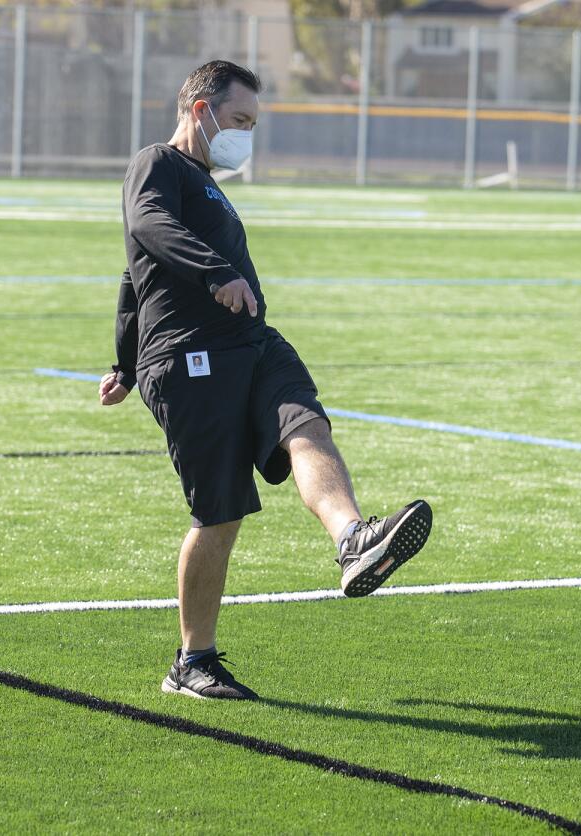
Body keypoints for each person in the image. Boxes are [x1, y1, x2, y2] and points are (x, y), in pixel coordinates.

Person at [98, 60, 432, 701]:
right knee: (219, 514)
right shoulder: (157, 166)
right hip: (191, 357)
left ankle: (353, 539)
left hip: (252, 345)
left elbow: (129, 280)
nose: (246, 135)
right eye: (240, 120)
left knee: (304, 424)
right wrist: (208, 278)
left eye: (253, 123)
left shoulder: (206, 184)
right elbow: (145, 235)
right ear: (200, 110)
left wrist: (120, 361)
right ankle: (192, 661)